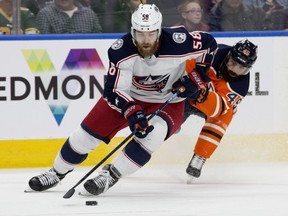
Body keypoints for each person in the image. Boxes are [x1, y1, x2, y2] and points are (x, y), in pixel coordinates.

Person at [27, 3, 217, 196]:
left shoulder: (179, 41)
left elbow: (210, 45)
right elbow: (113, 90)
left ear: (159, 31)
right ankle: (56, 172)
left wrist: (199, 76)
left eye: (151, 33)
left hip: (168, 100)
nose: (145, 40)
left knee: (153, 135)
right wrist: (131, 111)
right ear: (132, 31)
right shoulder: (121, 50)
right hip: (129, 97)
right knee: (83, 138)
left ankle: (110, 175)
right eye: (140, 33)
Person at [183, 39, 258, 182]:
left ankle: (200, 156)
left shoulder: (240, 87)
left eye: (241, 68)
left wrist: (200, 94)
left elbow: (219, 108)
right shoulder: (215, 52)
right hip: (186, 92)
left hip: (204, 102)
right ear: (229, 55)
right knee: (168, 125)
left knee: (226, 114)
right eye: (233, 63)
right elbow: (187, 63)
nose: (234, 70)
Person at [36, 0, 102, 34]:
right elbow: (42, 43)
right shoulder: (44, 14)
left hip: (86, 57)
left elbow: (99, 40)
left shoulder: (89, 14)